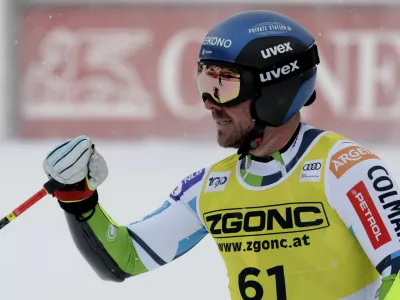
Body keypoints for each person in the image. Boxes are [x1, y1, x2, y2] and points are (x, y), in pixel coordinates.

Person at [42, 10, 400, 300]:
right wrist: (77, 198)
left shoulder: (344, 168)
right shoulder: (211, 187)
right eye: (204, 82)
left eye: (224, 85)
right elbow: (125, 260)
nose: (210, 104)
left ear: (274, 90)